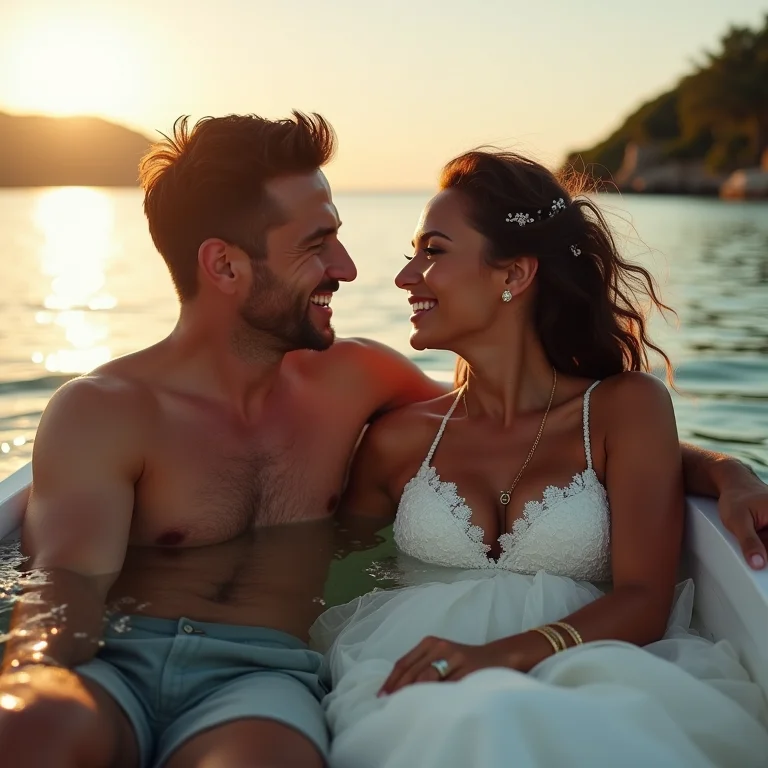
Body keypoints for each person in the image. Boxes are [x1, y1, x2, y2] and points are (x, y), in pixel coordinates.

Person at [0, 112, 764, 768]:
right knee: (31, 728)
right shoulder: (103, 412)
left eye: (428, 250)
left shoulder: (356, 380)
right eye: (318, 244)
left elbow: (540, 427)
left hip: (261, 678)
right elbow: (64, 585)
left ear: (515, 275)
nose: (357, 270)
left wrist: (719, 467)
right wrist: (38, 670)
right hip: (126, 652)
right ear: (224, 264)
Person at [312, 149, 768, 767]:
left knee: (505, 716)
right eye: (412, 254)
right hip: (414, 675)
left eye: (434, 251)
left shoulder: (622, 410)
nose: (405, 277)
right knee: (473, 725)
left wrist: (498, 656)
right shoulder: (399, 439)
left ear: (514, 275)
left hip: (594, 665)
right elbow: (334, 570)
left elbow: (644, 598)